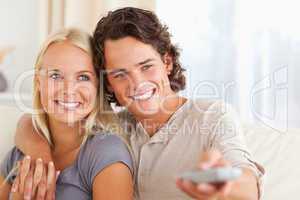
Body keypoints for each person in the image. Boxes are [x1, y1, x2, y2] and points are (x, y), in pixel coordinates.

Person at [13, 7, 264, 200]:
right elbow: (30, 122)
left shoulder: (212, 117)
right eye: (120, 74)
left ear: (167, 62)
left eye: (146, 66)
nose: (137, 83)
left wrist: (224, 181)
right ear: (108, 82)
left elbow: (248, 182)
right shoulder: (113, 126)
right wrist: (40, 157)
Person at [0, 28, 133, 200]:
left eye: (83, 77)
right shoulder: (20, 154)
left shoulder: (106, 154)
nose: (69, 90)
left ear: (98, 86)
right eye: (56, 75)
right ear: (38, 83)